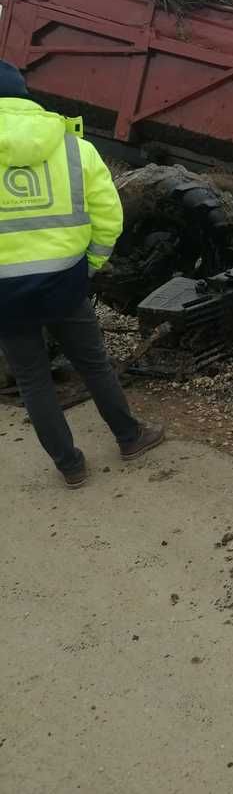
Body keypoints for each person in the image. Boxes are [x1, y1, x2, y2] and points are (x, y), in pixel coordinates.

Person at [0, 60, 164, 487]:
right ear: (24, 95)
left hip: (3, 291)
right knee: (94, 364)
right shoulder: (75, 146)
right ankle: (130, 438)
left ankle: (70, 466)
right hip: (64, 280)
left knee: (33, 378)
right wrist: (89, 263)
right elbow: (109, 215)